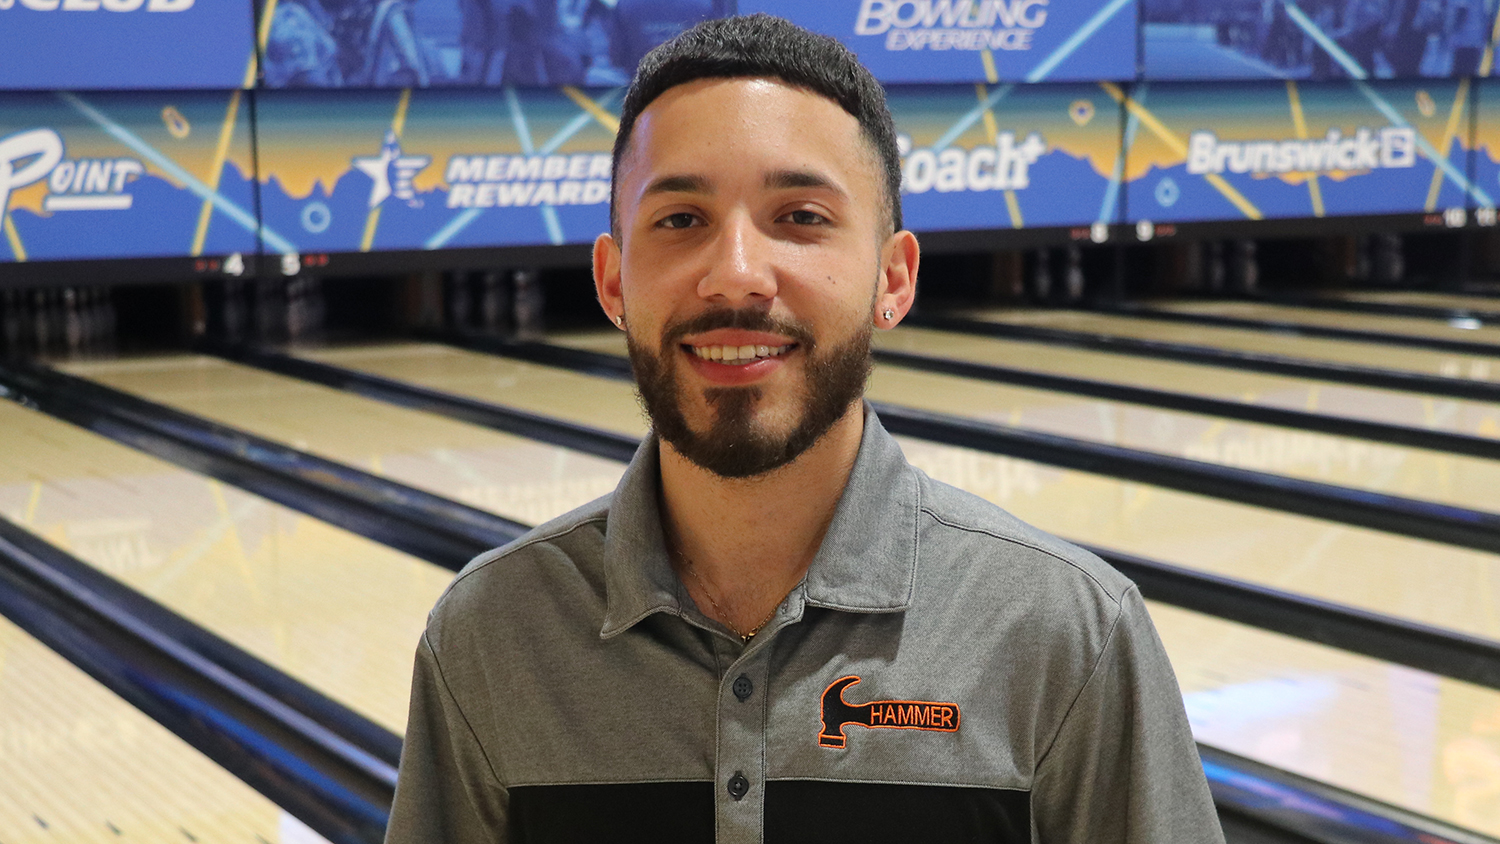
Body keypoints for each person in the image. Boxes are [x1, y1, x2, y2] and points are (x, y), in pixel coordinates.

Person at [386, 13, 1224, 843]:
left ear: (893, 278)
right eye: (680, 220)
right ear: (612, 282)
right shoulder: (491, 639)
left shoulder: (1064, 635)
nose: (737, 275)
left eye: (801, 218)